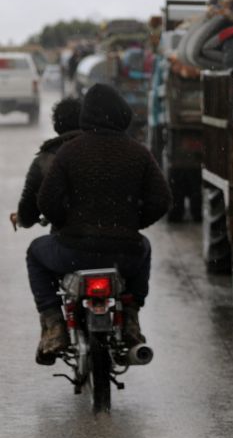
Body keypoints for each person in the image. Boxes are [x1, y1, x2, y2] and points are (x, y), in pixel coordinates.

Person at [28, 85, 171, 364]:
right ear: (122, 115)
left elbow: (46, 201)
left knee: (35, 252)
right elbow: (162, 200)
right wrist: (133, 225)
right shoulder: (138, 152)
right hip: (125, 254)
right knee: (145, 247)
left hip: (73, 251)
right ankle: (130, 317)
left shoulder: (70, 151)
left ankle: (54, 324)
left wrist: (66, 224)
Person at [16, 98, 83, 229]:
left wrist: (22, 218)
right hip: (118, 240)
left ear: (56, 125)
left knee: (36, 248)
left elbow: (27, 214)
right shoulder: (107, 149)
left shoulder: (46, 159)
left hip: (68, 240)